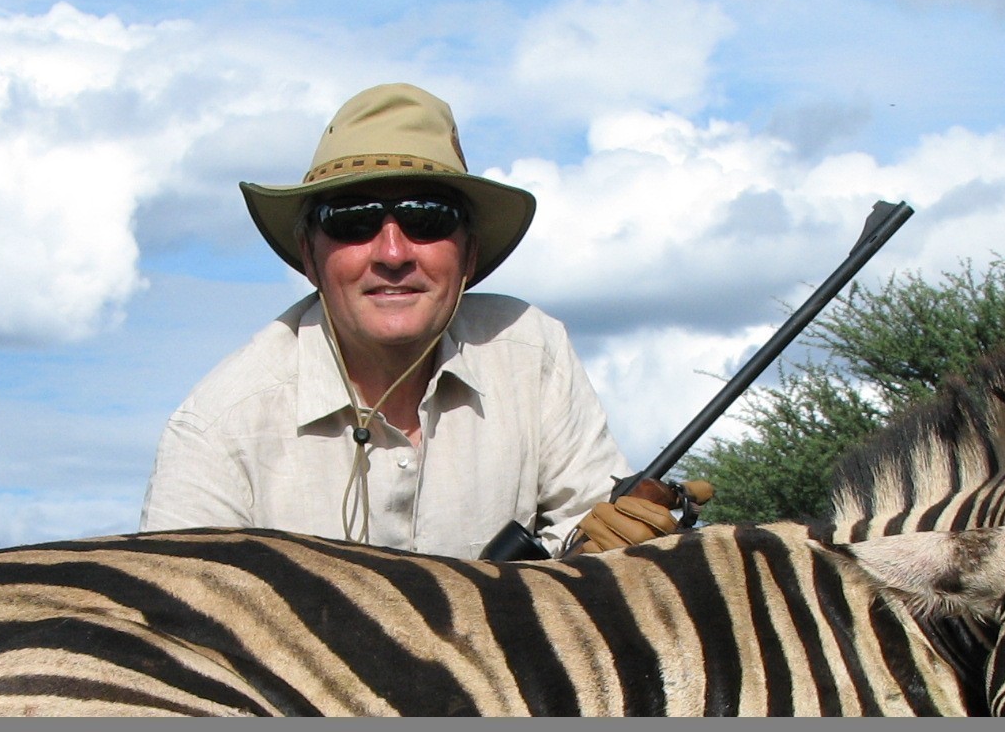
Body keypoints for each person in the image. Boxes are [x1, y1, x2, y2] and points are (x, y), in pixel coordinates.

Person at [140, 83, 705, 558]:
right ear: (309, 256)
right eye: (352, 219)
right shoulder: (216, 428)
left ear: (470, 253)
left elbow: (598, 533)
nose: (391, 252)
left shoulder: (533, 351)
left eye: (427, 217)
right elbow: (177, 638)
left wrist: (624, 551)